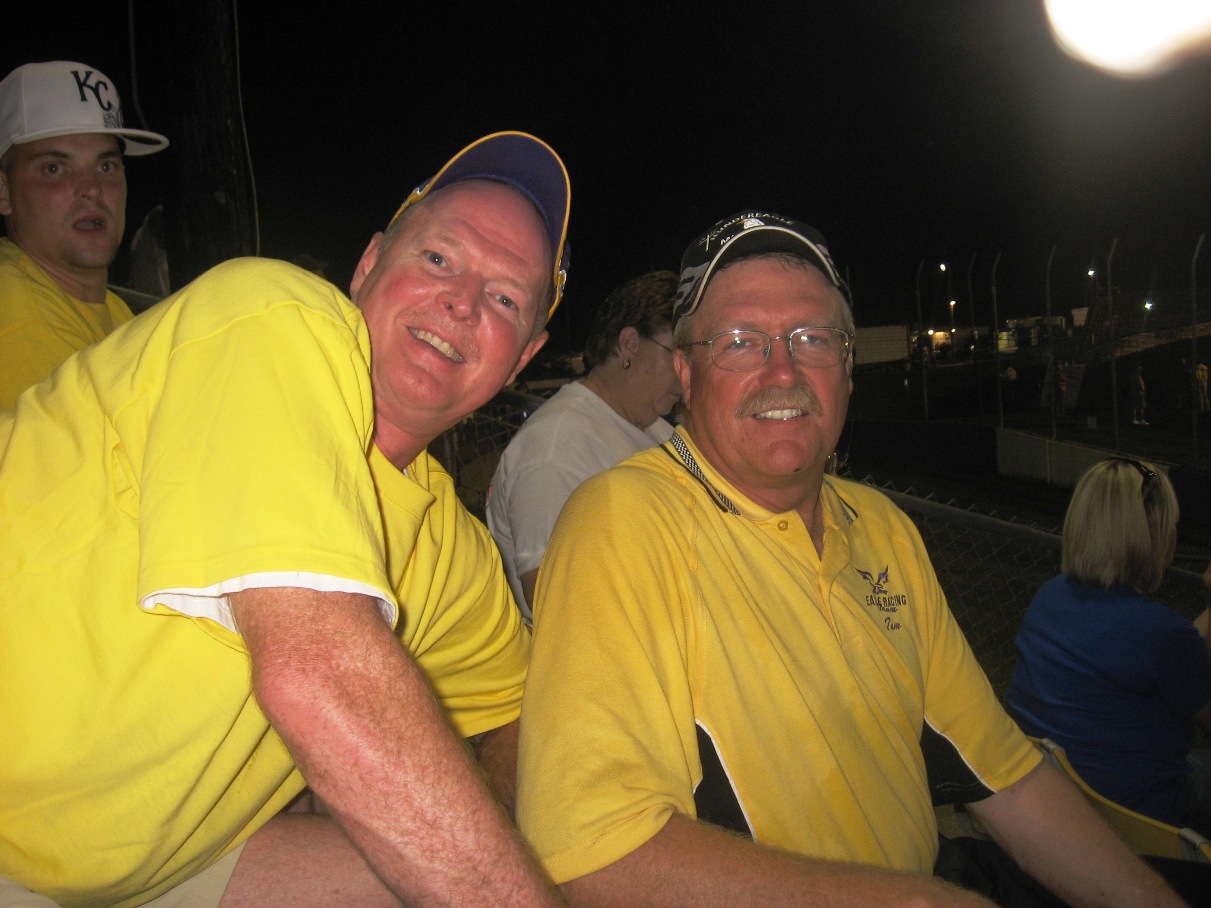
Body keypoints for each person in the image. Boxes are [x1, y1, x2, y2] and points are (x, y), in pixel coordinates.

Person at [516, 210, 1184, 907]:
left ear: (847, 367)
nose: (782, 370)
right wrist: (916, 902)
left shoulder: (882, 526)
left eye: (812, 338)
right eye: (739, 342)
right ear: (686, 373)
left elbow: (1005, 775)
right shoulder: (622, 521)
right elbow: (592, 857)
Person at [0, 132, 571, 907]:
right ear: (368, 265)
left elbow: (524, 717)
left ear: (524, 357)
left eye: (504, 298)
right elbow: (318, 670)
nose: (462, 302)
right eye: (439, 258)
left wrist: (500, 815)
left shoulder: (451, 552)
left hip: (136, 872)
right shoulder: (272, 314)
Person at [1007, 458, 1211, 835]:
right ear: (1152, 535)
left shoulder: (1049, 598)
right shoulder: (1157, 633)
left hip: (1058, 800)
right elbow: (1174, 656)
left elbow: (1172, 657)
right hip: (1136, 817)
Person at [486, 270, 681, 620]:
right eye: (677, 354)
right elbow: (554, 600)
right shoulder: (555, 448)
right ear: (630, 344)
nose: (687, 373)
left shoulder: (652, 426)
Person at [0, 60, 168, 410]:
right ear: (4, 192)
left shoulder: (109, 308)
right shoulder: (17, 316)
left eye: (106, 165)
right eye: (54, 168)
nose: (92, 188)